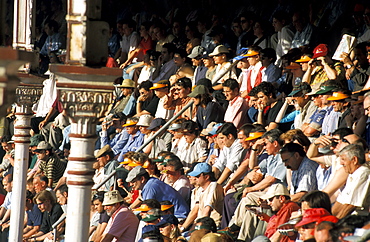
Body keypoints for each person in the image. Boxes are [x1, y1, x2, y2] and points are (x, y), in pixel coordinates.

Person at [181, 163, 224, 230]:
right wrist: (182, 228)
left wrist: (199, 231)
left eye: (197, 176)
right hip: (198, 226)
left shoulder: (214, 186)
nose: (194, 178)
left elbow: (207, 210)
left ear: (207, 177)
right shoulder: (199, 189)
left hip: (212, 227)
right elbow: (194, 211)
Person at [332, 144, 370, 218]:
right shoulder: (352, 173)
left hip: (359, 219)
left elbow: (351, 205)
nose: (341, 163)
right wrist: (329, 218)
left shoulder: (363, 172)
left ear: (354, 160)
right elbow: (340, 202)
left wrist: (335, 224)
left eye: (343, 159)